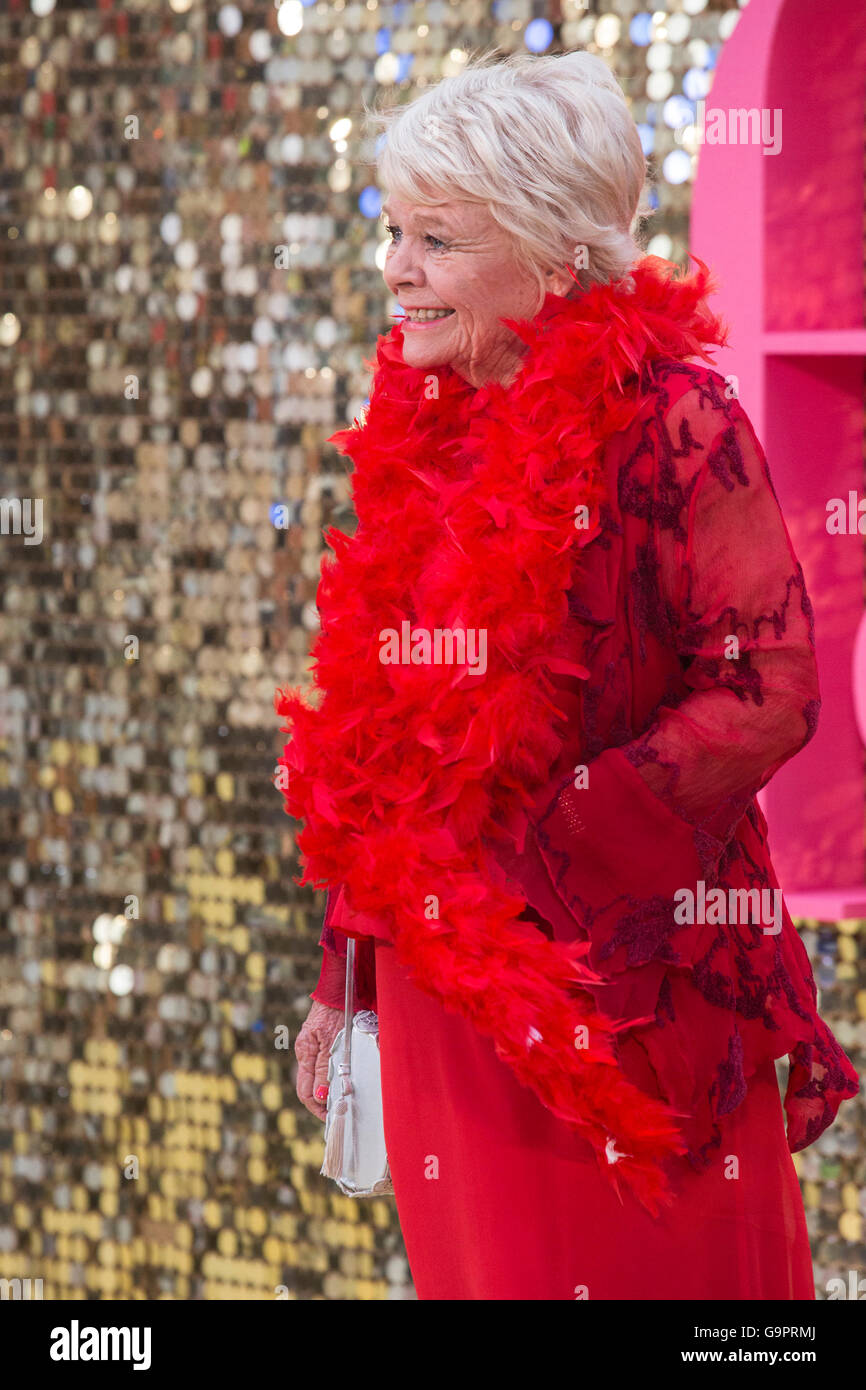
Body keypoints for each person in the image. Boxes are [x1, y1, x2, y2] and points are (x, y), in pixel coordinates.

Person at [280, 50, 859, 1300]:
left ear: (549, 254)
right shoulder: (422, 429)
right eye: (395, 232)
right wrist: (349, 973)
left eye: (434, 239)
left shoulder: (676, 420)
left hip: (622, 996)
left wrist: (558, 850)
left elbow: (768, 686)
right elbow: (386, 740)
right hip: (448, 994)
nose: (395, 271)